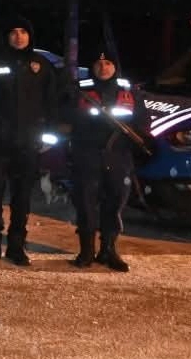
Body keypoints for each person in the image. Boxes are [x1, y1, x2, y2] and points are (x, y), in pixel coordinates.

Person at [0, 16, 61, 266]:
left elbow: (52, 103)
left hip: (28, 142)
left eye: (23, 32)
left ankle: (16, 245)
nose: (19, 36)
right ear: (7, 36)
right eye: (14, 32)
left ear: (30, 36)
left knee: (22, 196)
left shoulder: (41, 65)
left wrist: (50, 134)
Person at [66, 46, 146, 272]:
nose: (103, 67)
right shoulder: (79, 90)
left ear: (115, 67)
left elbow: (142, 121)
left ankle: (108, 250)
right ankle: (86, 251)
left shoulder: (129, 91)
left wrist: (136, 138)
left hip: (119, 155)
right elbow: (67, 118)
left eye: (108, 63)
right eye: (98, 64)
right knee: (86, 204)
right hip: (87, 154)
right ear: (92, 67)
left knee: (115, 203)